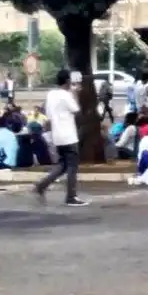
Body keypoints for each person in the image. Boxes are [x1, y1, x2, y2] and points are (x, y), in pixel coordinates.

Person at [33, 69, 88, 207]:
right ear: (68, 81)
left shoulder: (51, 94)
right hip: (69, 135)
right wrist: (75, 94)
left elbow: (46, 111)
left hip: (57, 135)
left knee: (63, 165)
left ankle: (42, 185)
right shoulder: (66, 95)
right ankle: (71, 196)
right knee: (72, 167)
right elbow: (77, 110)